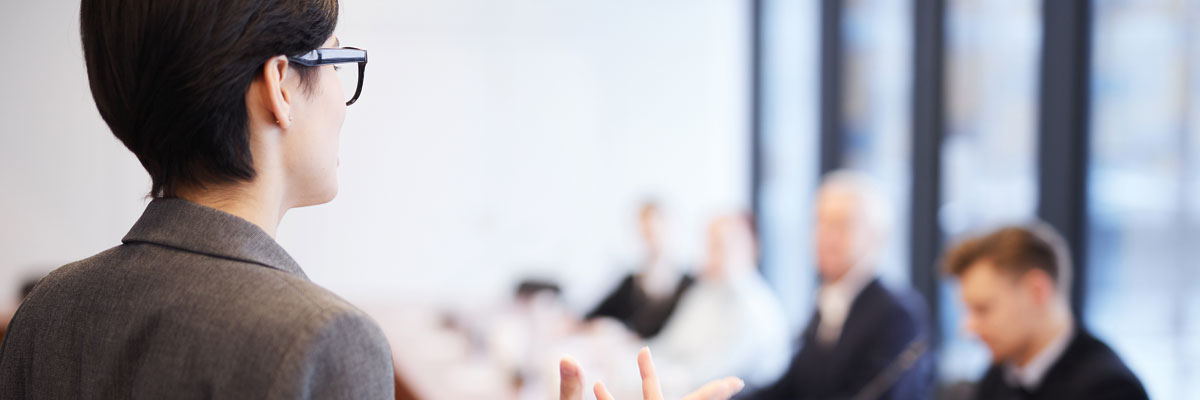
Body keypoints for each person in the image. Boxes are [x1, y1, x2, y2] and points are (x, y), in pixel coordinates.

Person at [0, 0, 744, 399]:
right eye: (334, 63)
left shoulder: (47, 314)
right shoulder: (323, 338)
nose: (345, 103)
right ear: (280, 86)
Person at [750, 171, 934, 400]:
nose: (824, 235)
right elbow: (791, 386)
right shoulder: (829, 302)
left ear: (875, 236)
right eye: (820, 222)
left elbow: (873, 394)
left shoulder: (898, 312)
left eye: (840, 225)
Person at [942, 224, 1148, 400]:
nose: (967, 327)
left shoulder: (1109, 389)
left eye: (983, 309)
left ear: (1037, 291)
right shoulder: (999, 375)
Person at [648, 214, 790, 394]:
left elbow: (712, 373)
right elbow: (671, 343)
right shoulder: (706, 290)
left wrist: (660, 376)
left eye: (719, 245)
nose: (710, 255)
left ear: (749, 247)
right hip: (683, 381)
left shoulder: (754, 306)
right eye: (708, 245)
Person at [587, 201, 695, 339]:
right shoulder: (632, 282)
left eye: (656, 231)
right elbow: (594, 314)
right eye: (646, 233)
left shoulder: (690, 286)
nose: (652, 240)